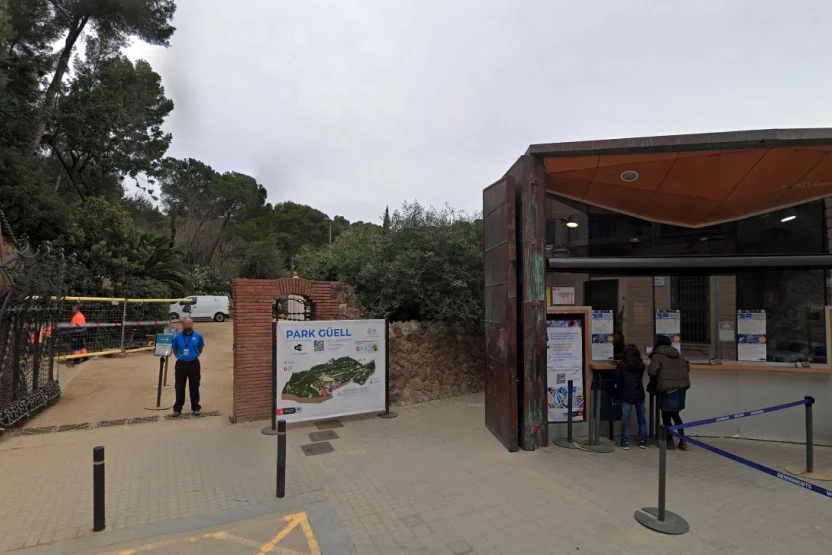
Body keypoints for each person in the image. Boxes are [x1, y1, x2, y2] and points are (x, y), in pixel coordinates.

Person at [648, 335, 691, 450]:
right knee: (675, 414)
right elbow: (686, 368)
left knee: (666, 415)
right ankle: (682, 440)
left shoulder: (657, 356)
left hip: (667, 389)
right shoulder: (678, 355)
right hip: (680, 389)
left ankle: (670, 441)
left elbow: (652, 372)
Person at [614, 344, 647, 450]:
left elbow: (617, 379)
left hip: (626, 393)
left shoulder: (622, 365)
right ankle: (643, 441)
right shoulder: (641, 365)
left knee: (626, 418)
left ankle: (625, 442)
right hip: (639, 393)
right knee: (641, 417)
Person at [171, 318, 205, 417]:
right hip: (181, 364)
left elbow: (200, 348)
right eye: (185, 324)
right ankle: (177, 408)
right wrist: (181, 357)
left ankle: (195, 407)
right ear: (182, 325)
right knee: (179, 386)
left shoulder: (198, 336)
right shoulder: (177, 337)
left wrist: (194, 355)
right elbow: (175, 349)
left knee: (194, 385)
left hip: (194, 363)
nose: (187, 326)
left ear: (192, 324)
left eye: (189, 324)